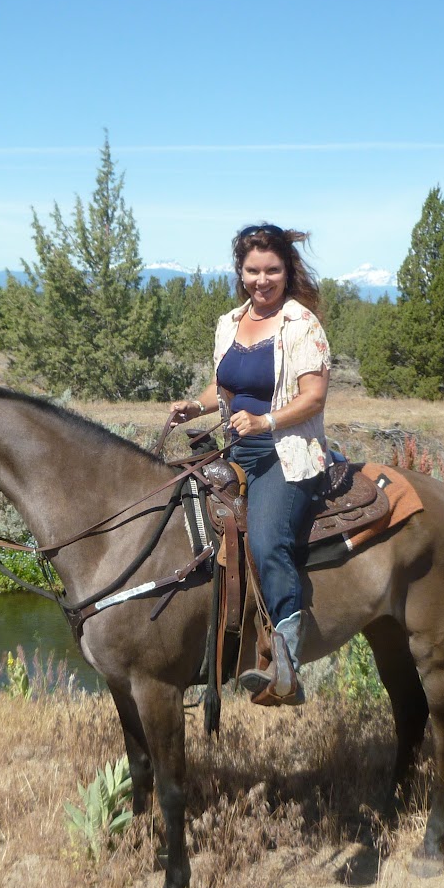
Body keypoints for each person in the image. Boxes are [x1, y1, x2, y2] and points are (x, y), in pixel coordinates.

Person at [168, 223, 331, 705]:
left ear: (287, 270)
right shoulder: (229, 322)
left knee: (266, 540)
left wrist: (266, 421)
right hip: (234, 448)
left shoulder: (301, 324)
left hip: (285, 455)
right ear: (240, 272)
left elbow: (314, 398)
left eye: (272, 270)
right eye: (253, 271)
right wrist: (194, 408)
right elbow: (223, 389)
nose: (262, 280)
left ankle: (287, 665)